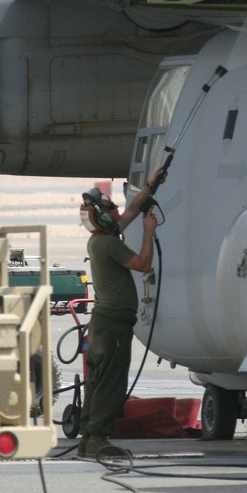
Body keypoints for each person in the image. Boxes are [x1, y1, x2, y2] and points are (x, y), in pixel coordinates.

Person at [77, 170, 165, 458]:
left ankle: (88, 438)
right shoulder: (109, 243)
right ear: (103, 217)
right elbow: (142, 264)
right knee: (111, 382)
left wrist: (151, 185)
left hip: (105, 323)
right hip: (113, 324)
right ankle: (99, 438)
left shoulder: (100, 239)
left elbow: (129, 211)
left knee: (98, 381)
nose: (117, 210)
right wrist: (149, 233)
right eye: (110, 208)